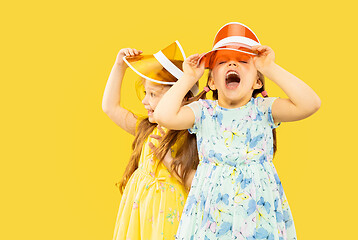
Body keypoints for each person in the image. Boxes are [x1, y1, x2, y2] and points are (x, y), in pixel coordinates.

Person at [154, 22, 321, 239]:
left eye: (243, 61)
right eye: (223, 61)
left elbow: (311, 103)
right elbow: (163, 116)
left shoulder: (264, 109)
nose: (232, 63)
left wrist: (270, 67)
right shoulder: (204, 111)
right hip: (212, 212)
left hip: (256, 212)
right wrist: (189, 77)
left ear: (257, 81)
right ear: (212, 81)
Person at [102, 41, 198, 240]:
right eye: (145, 93)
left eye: (153, 94)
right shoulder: (148, 128)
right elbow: (110, 107)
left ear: (179, 97)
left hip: (171, 217)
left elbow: (197, 181)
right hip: (140, 214)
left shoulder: (191, 135)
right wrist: (120, 66)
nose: (145, 100)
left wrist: (169, 161)